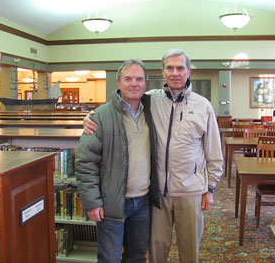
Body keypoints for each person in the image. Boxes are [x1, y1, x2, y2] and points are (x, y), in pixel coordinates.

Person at [84, 49, 223, 263]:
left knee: (189, 251)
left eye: (180, 68)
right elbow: (121, 101)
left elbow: (214, 152)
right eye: (170, 68)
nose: (175, 73)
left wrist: (210, 187)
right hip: (158, 196)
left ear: (189, 71)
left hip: (191, 191)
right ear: (163, 71)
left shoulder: (203, 106)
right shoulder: (151, 99)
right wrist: (90, 117)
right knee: (155, 252)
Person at [75, 59, 160, 263]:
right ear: (118, 83)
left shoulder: (153, 111)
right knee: (109, 258)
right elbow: (85, 161)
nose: (134, 83)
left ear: (145, 83)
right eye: (128, 78)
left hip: (143, 202)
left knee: (137, 256)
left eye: (139, 79)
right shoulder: (101, 116)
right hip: (112, 203)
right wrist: (92, 202)